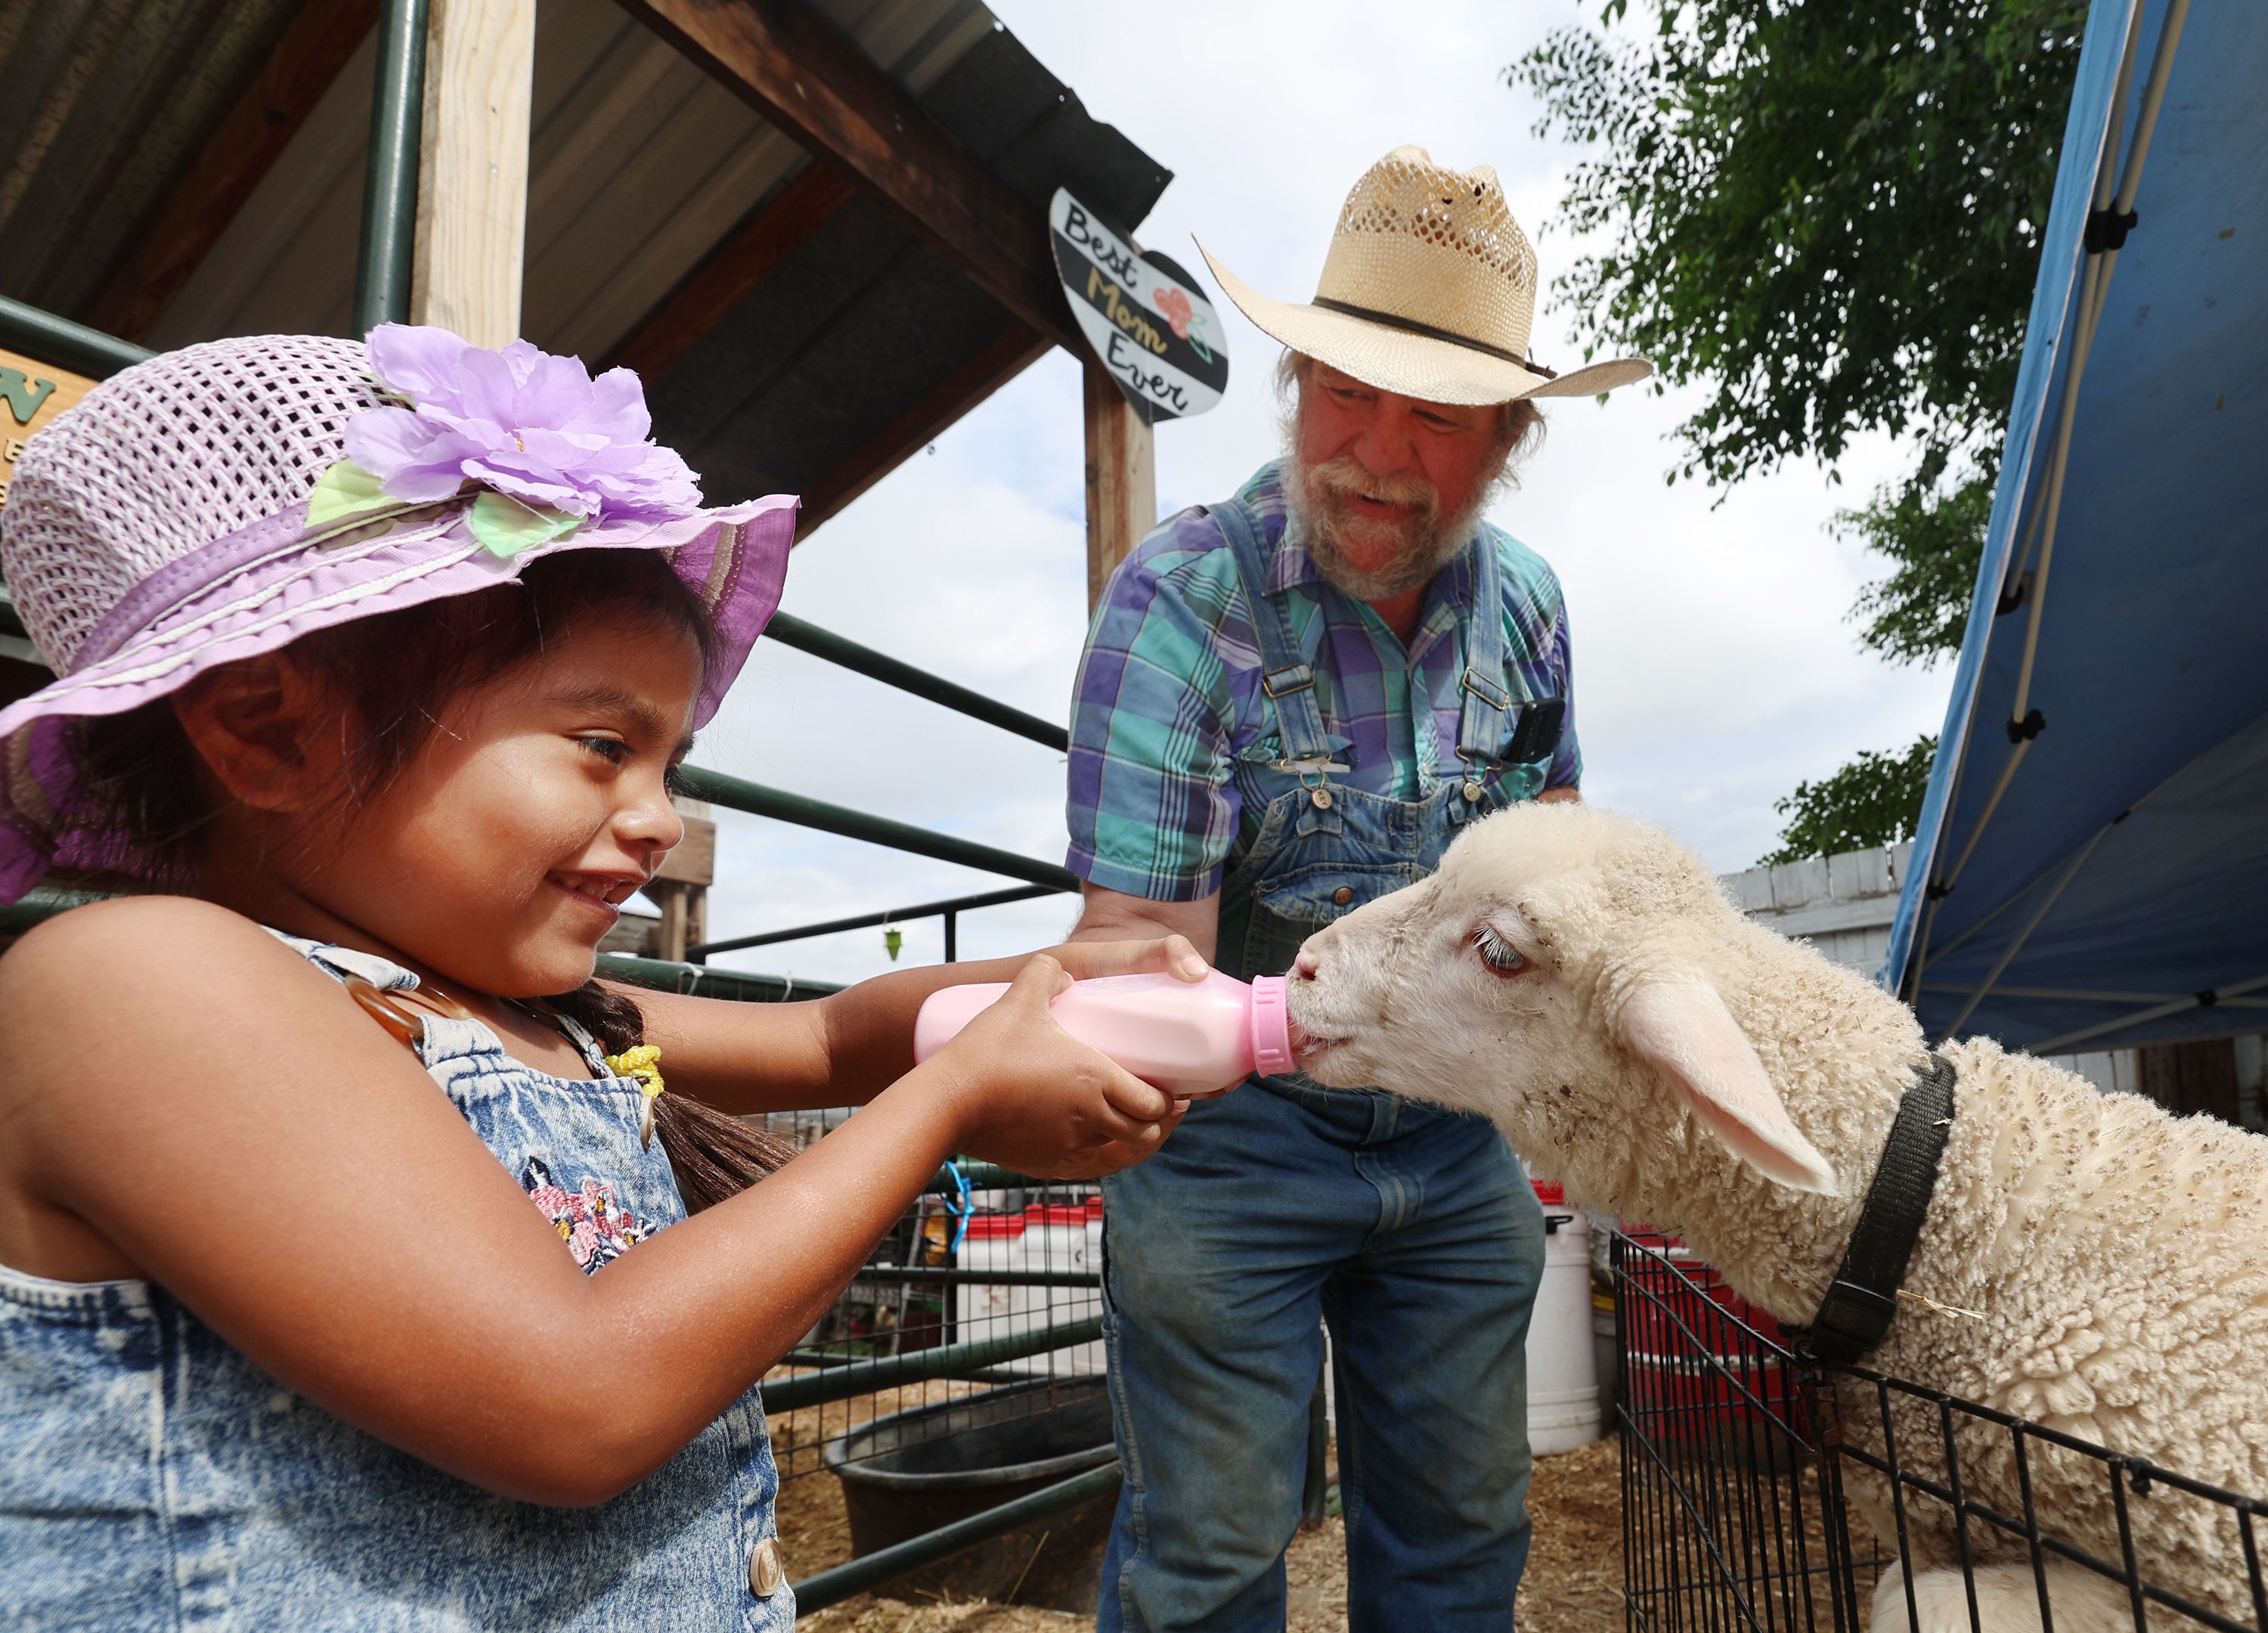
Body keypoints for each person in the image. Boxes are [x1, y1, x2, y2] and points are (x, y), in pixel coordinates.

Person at [0, 327, 1211, 1631]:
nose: (657, 819)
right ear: (269, 730)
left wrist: (1064, 975)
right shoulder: (137, 988)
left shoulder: (526, 1015)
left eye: (670, 762)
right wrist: (953, 1103)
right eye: (600, 743)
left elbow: (825, 1043)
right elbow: (576, 1400)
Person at [1066, 147, 1653, 1631]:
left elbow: (1553, 848)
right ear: (1295, 386)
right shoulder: (1183, 609)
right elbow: (1139, 950)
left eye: (1437, 415)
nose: (1374, 453)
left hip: (1456, 1144)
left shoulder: (1526, 613)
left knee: (1465, 1538)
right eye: (1345, 392)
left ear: (1509, 436)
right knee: (1206, 1553)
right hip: (1231, 1143)